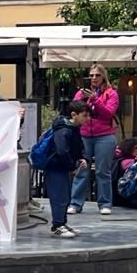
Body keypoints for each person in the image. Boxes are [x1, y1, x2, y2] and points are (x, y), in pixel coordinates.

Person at [72, 64, 120, 215]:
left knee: (103, 171)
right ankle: (75, 203)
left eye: (97, 75)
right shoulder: (81, 93)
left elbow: (108, 113)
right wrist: (83, 98)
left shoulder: (111, 94)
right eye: (91, 75)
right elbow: (74, 110)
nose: (94, 78)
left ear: (103, 76)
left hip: (104, 135)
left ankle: (105, 204)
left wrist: (95, 100)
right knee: (82, 169)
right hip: (84, 134)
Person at [44, 101, 90, 239]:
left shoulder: (72, 128)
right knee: (59, 197)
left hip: (62, 167)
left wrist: (81, 158)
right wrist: (72, 165)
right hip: (56, 167)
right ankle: (57, 225)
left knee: (64, 196)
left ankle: (61, 223)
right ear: (74, 115)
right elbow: (62, 151)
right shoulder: (64, 130)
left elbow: (77, 146)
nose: (87, 119)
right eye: (85, 115)